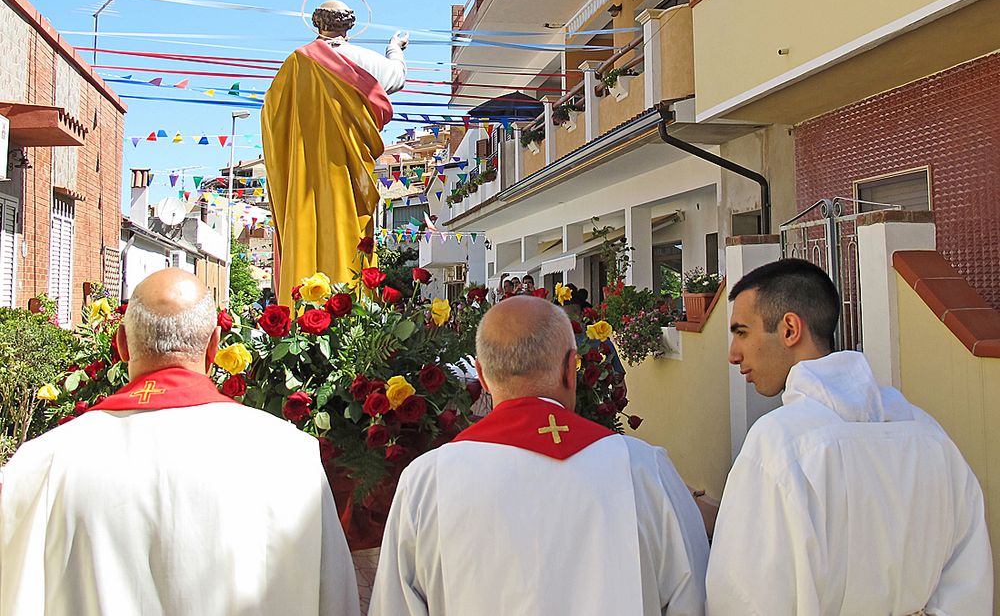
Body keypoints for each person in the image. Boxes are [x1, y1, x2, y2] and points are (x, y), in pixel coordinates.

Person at [0, 269, 360, 616]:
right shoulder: (288, 456)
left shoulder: (43, 464)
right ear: (214, 346)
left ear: (122, 345)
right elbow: (335, 600)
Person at [370, 296, 709, 615]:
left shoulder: (427, 481)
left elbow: (395, 605)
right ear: (569, 369)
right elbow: (692, 597)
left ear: (483, 378)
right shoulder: (644, 469)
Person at [706, 258, 992, 615]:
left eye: (741, 332)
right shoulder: (928, 434)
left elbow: (744, 596)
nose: (734, 354)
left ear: (790, 329)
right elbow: (969, 580)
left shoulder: (778, 442)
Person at [263, 0, 409, 305]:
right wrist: (395, 47)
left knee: (309, 231)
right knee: (350, 236)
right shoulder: (362, 59)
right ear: (349, 25)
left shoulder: (295, 64)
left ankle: (302, 305)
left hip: (306, 175)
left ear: (317, 24)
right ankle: (350, 309)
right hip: (349, 174)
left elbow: (273, 116)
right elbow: (396, 76)